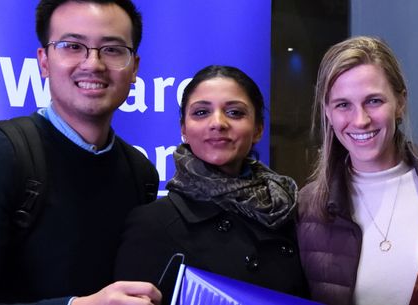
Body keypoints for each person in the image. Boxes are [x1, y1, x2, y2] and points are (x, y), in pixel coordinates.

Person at [0, 0, 162, 304]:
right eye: (72, 46)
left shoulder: (139, 173)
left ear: (134, 69)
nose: (93, 64)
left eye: (113, 49)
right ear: (44, 61)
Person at [114, 65, 308, 299]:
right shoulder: (152, 223)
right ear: (183, 129)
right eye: (201, 112)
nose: (218, 123)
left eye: (235, 112)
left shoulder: (289, 211)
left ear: (258, 129)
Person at [296, 36, 418, 305]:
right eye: (343, 105)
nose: (360, 120)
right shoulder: (307, 208)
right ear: (328, 112)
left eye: (374, 101)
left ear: (400, 102)